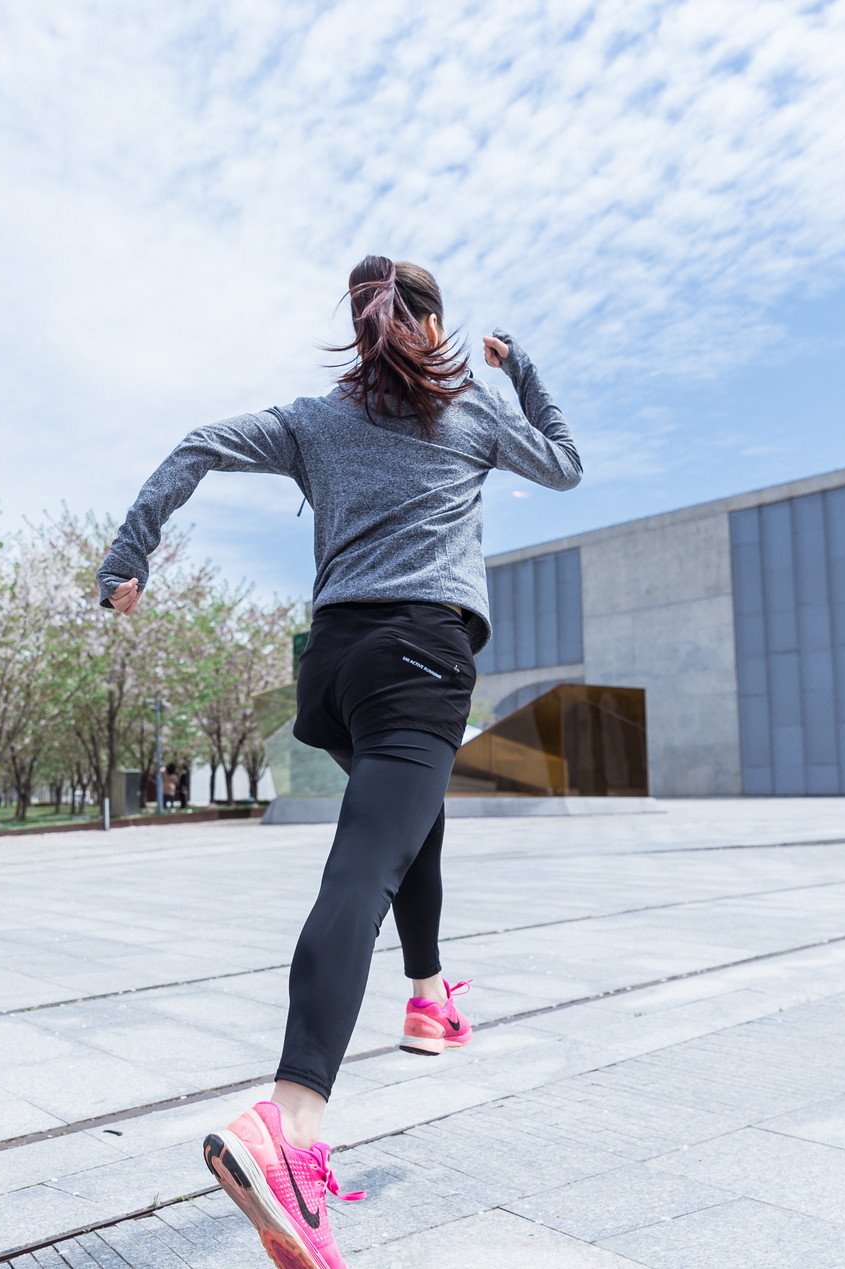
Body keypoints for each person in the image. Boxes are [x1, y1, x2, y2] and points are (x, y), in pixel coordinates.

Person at [97, 254, 580, 1269]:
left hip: (336, 671)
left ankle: (430, 992)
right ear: (436, 330)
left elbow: (197, 443)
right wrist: (521, 367)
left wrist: (129, 554)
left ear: (359, 327)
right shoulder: (474, 413)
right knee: (365, 863)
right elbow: (566, 462)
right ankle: (289, 1122)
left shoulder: (314, 420)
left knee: (408, 811)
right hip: (420, 657)